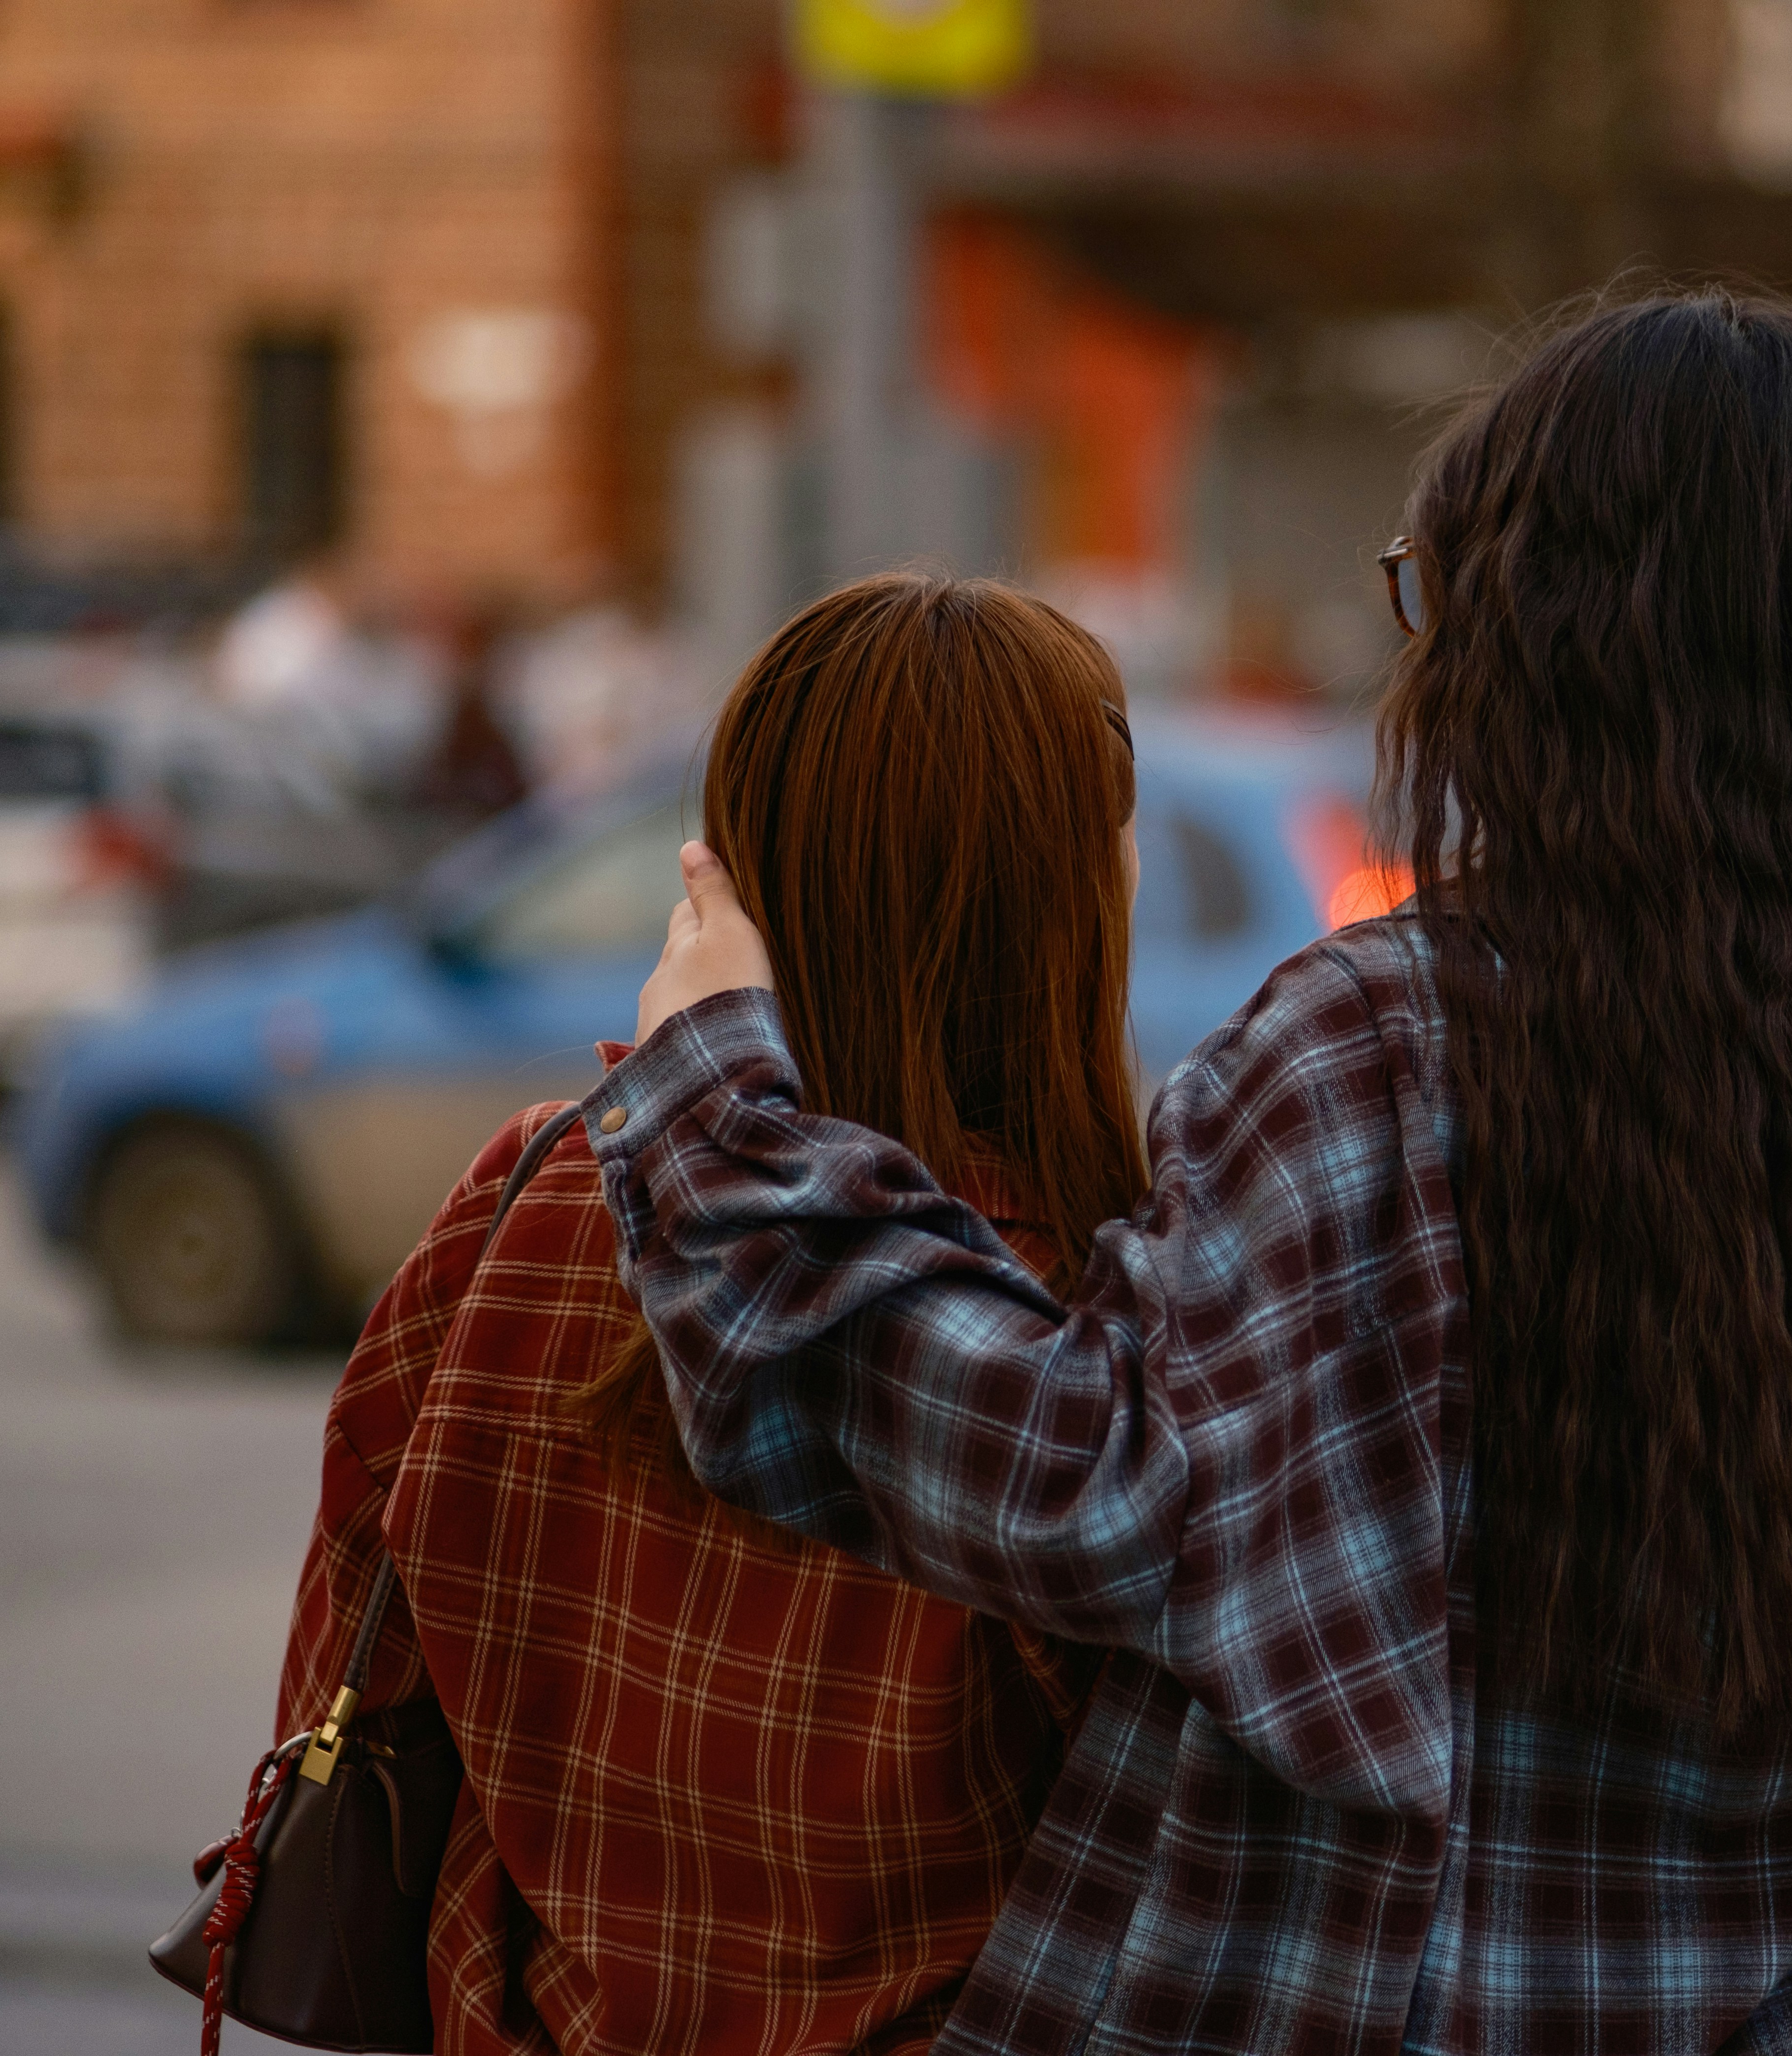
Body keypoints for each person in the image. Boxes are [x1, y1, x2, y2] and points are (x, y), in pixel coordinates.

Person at [592, 292, 1792, 2054]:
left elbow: (1083, 1489)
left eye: (1430, 596)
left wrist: (723, 1106)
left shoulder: (1385, 1054)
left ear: (1532, 650)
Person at [272, 574, 1145, 2054]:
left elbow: (347, 1682)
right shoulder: (1065, 1328)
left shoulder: (535, 1200)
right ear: (1074, 901)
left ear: (730, 881)